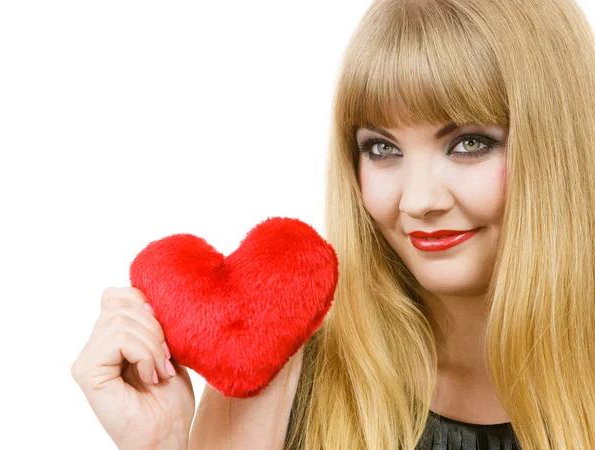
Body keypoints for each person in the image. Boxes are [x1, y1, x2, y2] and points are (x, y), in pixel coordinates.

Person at [71, 0, 595, 448]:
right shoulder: (282, 378)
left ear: (558, 144)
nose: (417, 200)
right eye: (382, 148)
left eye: (469, 143)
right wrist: (162, 445)